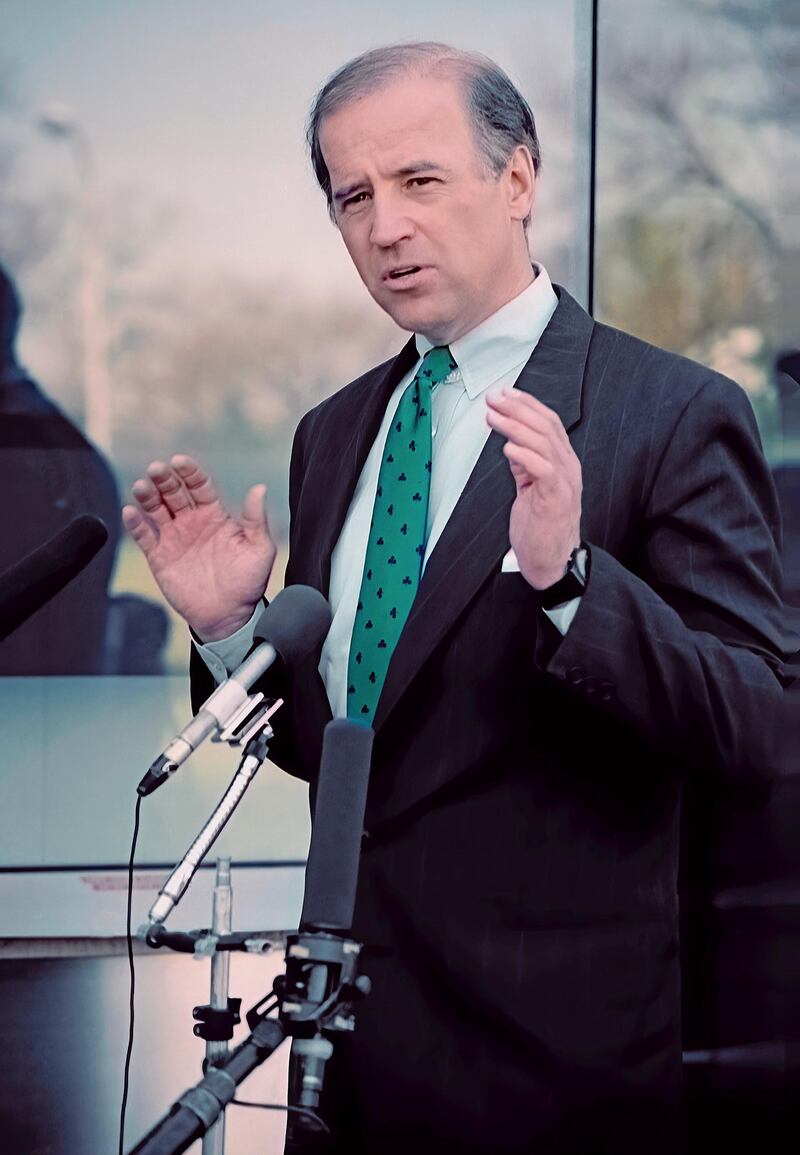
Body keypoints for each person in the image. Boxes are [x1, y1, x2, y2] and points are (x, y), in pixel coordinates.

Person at [123, 43, 793, 1154]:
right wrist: (231, 627)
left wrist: (569, 582)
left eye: (419, 181)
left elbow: (755, 725)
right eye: (353, 197)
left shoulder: (667, 411)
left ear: (518, 181)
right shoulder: (334, 432)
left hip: (552, 1067)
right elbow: (355, 752)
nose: (384, 226)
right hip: (341, 1057)